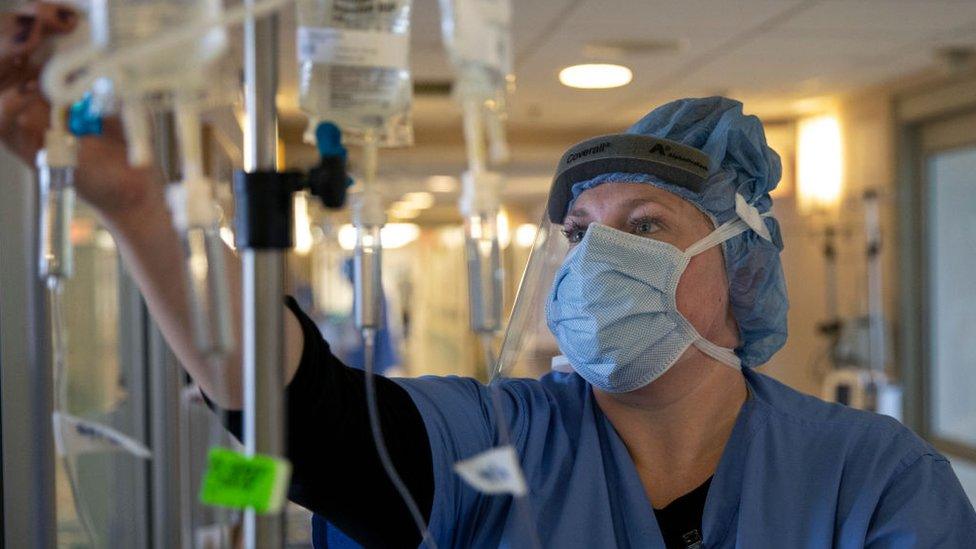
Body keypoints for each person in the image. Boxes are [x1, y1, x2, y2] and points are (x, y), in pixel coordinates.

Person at [4, 5, 976, 547]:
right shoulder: (493, 441)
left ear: (739, 265)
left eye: (643, 226)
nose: (597, 255)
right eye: (578, 230)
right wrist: (139, 204)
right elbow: (302, 409)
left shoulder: (873, 476)